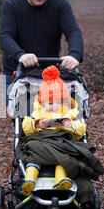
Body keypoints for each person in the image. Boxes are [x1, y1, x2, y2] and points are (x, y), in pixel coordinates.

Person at [0, 0, 84, 91]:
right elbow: (5, 36)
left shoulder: (59, 3)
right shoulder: (11, 5)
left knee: (55, 110)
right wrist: (20, 55)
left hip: (48, 74)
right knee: (17, 111)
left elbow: (73, 32)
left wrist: (74, 55)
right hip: (15, 73)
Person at [21, 65, 86, 196]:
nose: (54, 106)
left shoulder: (70, 114)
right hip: (42, 143)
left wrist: (71, 127)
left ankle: (60, 179)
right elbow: (26, 126)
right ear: (43, 104)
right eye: (50, 103)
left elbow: (81, 129)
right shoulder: (38, 113)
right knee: (33, 155)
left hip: (62, 144)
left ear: (66, 102)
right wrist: (37, 125)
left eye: (59, 102)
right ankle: (29, 180)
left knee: (65, 158)